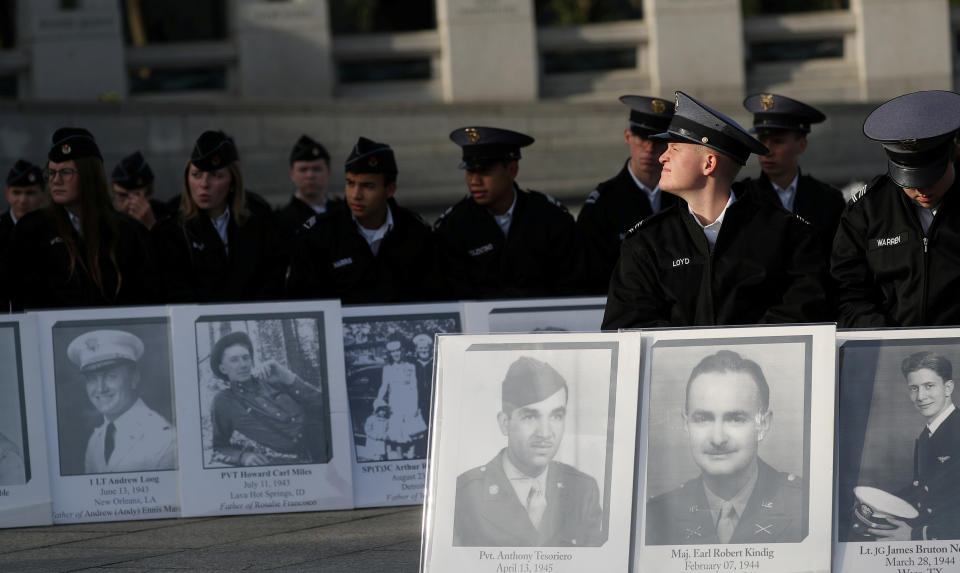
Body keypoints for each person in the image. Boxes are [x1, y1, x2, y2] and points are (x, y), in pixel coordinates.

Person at [602, 92, 830, 329]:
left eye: (674, 148)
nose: (662, 157)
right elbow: (626, 324)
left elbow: (807, 312)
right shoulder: (646, 242)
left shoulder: (787, 235)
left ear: (709, 164)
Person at [646, 350, 804, 545]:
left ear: (763, 424)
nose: (718, 438)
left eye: (735, 418)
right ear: (686, 424)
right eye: (703, 418)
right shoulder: (655, 518)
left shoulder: (805, 507)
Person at [832, 90, 960, 327]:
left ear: (954, 153)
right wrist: (888, 338)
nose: (921, 190)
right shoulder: (867, 211)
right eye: (909, 182)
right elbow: (847, 292)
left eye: (930, 177)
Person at [453, 356, 603, 547]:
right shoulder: (465, 494)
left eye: (556, 416)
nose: (545, 433)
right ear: (505, 423)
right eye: (531, 417)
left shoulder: (583, 490)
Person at [6, 128, 157, 310]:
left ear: (89, 176)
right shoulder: (31, 230)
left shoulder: (128, 230)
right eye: (52, 173)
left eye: (66, 172)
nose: (56, 180)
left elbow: (146, 297)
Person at [435, 127, 584, 299]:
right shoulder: (454, 226)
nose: (474, 181)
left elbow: (573, 286)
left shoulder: (550, 218)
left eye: (484, 171)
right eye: (470, 171)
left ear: (512, 170)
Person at [287, 137, 440, 303]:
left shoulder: (415, 231)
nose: (355, 195)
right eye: (350, 183)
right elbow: (303, 305)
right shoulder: (319, 235)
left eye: (368, 186)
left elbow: (434, 297)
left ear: (390, 189)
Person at [151, 130, 287, 303]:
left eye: (216, 176)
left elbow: (272, 280)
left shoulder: (258, 224)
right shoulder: (171, 231)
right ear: (187, 179)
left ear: (232, 182)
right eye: (196, 175)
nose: (204, 184)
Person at [577, 95, 677, 293]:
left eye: (658, 140)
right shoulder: (602, 205)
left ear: (670, 144)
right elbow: (590, 277)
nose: (649, 148)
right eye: (642, 137)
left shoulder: (685, 198)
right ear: (627, 137)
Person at [865, 351, 960, 541]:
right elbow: (923, 488)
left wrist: (916, 535)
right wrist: (876, 503)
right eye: (914, 388)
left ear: (948, 388)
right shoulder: (927, 435)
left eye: (929, 386)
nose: (921, 396)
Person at [740, 93, 844, 262]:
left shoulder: (828, 200)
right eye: (761, 141)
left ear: (802, 145)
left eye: (777, 141)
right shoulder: (743, 199)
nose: (767, 151)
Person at [66, 329, 176, 474]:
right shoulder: (95, 441)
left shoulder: (164, 439)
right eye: (92, 379)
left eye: (111, 376)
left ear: (134, 378)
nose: (100, 388)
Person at [209, 331, 326, 466]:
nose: (243, 364)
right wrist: (243, 457)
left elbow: (321, 404)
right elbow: (219, 448)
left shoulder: (271, 378)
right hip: (304, 456)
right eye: (234, 360)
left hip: (325, 435)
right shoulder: (224, 401)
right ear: (223, 369)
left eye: (246, 358)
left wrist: (287, 377)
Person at [275, 134, 340, 240]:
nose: (310, 175)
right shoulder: (280, 220)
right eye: (303, 170)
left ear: (328, 172)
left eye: (316, 169)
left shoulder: (342, 212)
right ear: (292, 174)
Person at [373, 339, 426, 460]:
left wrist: (415, 406)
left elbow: (415, 387)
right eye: (392, 352)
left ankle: (412, 458)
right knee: (396, 434)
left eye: (397, 351)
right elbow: (383, 387)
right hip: (395, 403)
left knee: (412, 432)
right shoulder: (387, 369)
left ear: (402, 351)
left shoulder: (411, 367)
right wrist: (378, 400)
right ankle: (399, 459)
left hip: (409, 402)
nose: (395, 354)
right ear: (390, 354)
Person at [111, 151, 172, 230]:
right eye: (122, 195)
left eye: (136, 196)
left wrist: (151, 225)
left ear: (149, 193)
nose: (128, 203)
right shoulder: (106, 218)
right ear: (113, 192)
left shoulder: (166, 215)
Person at [1, 159, 46, 248]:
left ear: (43, 194)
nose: (23, 200)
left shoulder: (56, 228)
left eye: (30, 193)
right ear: (7, 194)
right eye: (16, 193)